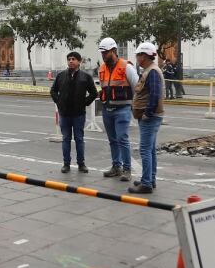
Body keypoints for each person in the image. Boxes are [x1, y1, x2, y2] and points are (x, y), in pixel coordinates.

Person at [50, 50, 98, 174]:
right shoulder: (61, 76)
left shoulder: (85, 77)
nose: (71, 61)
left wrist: (84, 102)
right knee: (66, 139)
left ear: (79, 62)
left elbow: (94, 93)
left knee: (79, 139)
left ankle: (81, 164)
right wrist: (59, 102)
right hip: (64, 114)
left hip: (79, 114)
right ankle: (66, 164)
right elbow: (53, 91)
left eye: (73, 59)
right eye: (69, 59)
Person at [97, 37, 137, 182]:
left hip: (122, 109)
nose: (103, 55)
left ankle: (127, 169)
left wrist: (136, 107)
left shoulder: (126, 67)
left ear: (113, 51)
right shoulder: (101, 69)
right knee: (112, 140)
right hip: (107, 110)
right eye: (102, 53)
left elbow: (137, 87)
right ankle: (116, 166)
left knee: (122, 139)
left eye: (106, 52)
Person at [130, 42, 164, 194]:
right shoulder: (150, 70)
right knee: (150, 150)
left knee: (145, 150)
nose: (137, 58)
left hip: (150, 117)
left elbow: (155, 95)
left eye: (138, 55)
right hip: (150, 116)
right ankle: (150, 178)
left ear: (144, 56)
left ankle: (146, 183)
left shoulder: (152, 72)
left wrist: (147, 114)